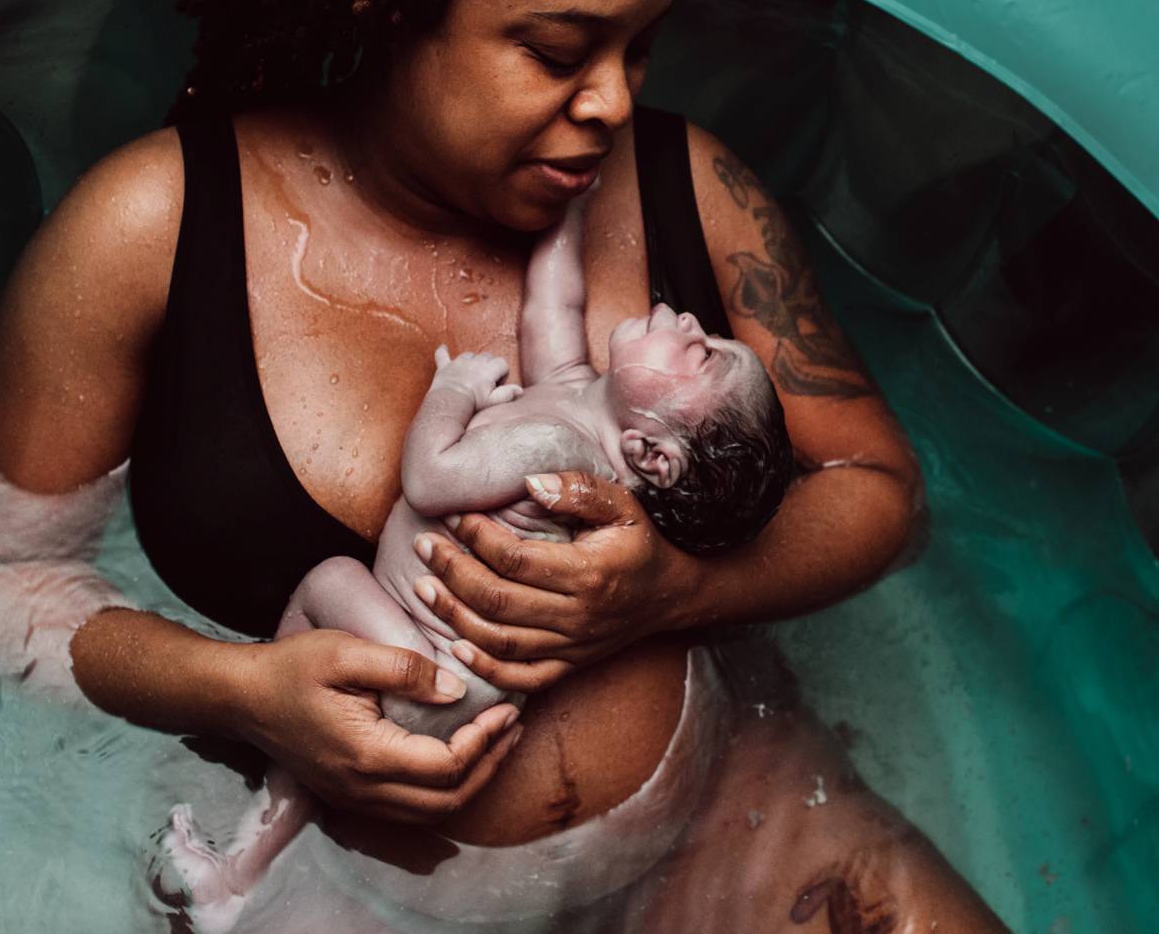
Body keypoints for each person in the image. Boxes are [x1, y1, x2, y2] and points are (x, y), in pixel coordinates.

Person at [0, 0, 1010, 928]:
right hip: (344, 887)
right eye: (557, 50)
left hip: (728, 810)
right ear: (382, 0)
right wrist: (246, 696)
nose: (611, 104)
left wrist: (676, 593)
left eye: (642, 48)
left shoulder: (690, 186)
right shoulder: (150, 232)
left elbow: (879, 487)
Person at [156, 193, 792, 922]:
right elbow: (554, 302)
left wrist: (452, 390)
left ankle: (258, 752)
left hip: (432, 675)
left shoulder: (561, 449)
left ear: (653, 453)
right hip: (447, 686)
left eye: (703, 353)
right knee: (316, 756)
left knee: (327, 587)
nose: (688, 322)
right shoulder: (575, 401)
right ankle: (238, 875)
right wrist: (569, 206)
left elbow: (430, 478)